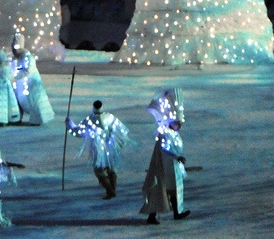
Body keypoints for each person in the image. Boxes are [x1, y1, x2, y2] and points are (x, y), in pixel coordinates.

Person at [140, 87, 190, 224]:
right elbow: (164, 149)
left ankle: (177, 213)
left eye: (180, 123)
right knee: (159, 190)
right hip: (162, 168)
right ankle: (152, 216)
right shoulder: (164, 133)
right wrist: (177, 157)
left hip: (172, 168)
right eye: (177, 123)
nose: (179, 126)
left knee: (173, 191)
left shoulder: (174, 134)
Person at [65, 100, 130, 199]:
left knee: (99, 171)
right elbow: (121, 131)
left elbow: (78, 132)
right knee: (111, 168)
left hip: (98, 149)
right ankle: (112, 189)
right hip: (111, 146)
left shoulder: (90, 120)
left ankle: (110, 190)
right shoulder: (110, 117)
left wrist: (69, 124)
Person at [10, 38, 54, 125]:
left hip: (32, 84)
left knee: (34, 102)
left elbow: (28, 70)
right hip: (23, 85)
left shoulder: (28, 57)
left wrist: (16, 77)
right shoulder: (17, 58)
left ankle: (37, 119)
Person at [0, 50, 20, 126]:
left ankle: (1, 119)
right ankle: (12, 118)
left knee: (0, 103)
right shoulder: (7, 66)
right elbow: (9, 75)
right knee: (9, 102)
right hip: (6, 86)